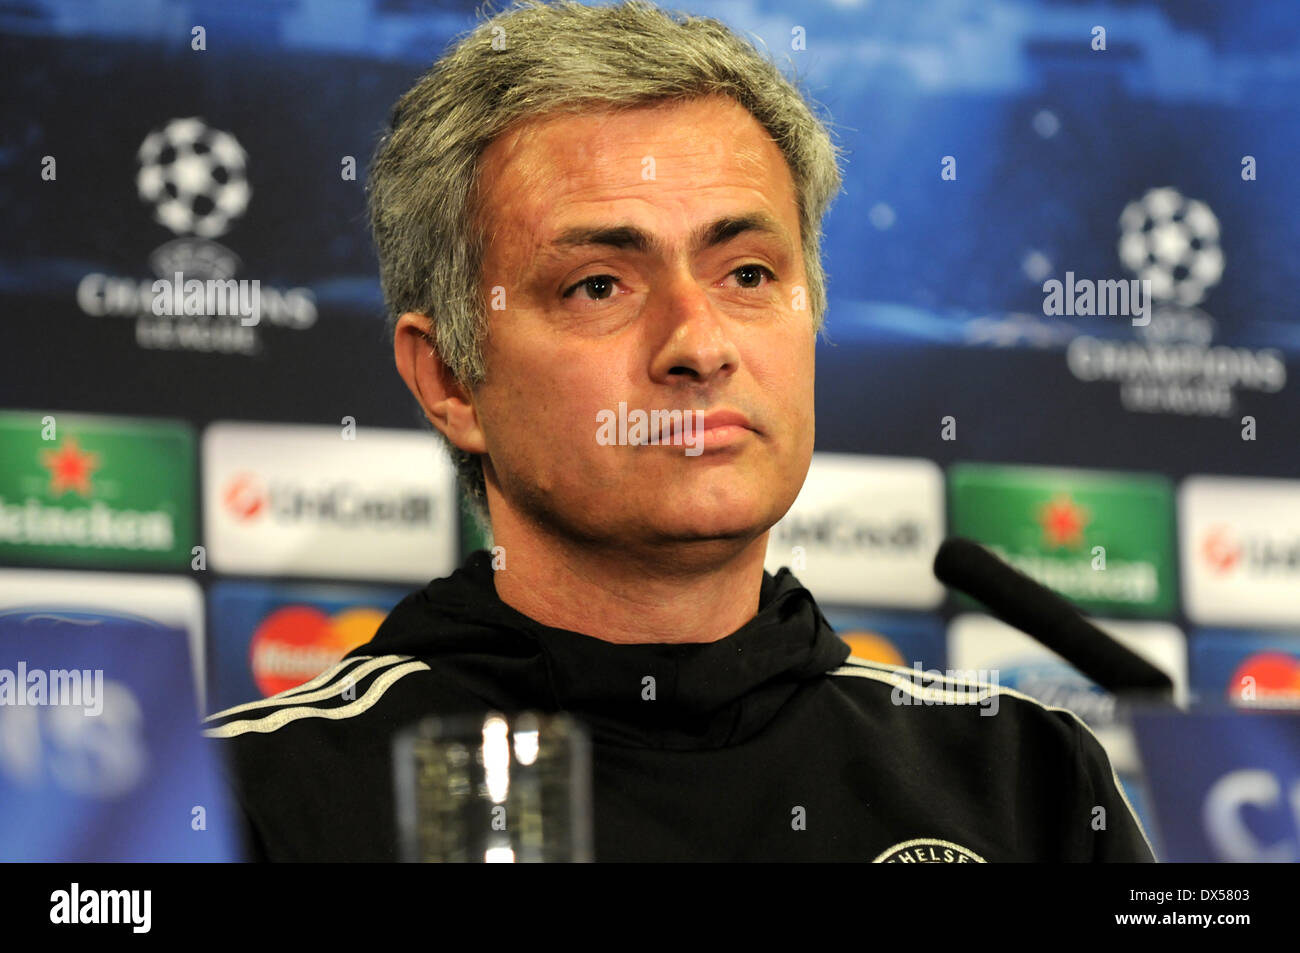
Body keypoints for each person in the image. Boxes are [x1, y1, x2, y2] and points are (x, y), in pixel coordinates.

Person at [204, 0, 1155, 862]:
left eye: (746, 274)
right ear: (451, 379)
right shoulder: (247, 805)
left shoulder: (1023, 780)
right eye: (599, 285)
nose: (698, 345)